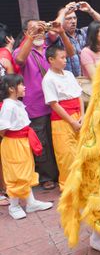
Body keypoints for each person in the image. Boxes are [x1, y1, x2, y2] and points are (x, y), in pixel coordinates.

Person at [13, 12, 75, 190]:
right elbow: (19, 60)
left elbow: (70, 53)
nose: (40, 32)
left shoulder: (50, 47)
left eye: (41, 29)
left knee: (59, 140)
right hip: (36, 106)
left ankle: (62, 173)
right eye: (34, 29)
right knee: (42, 142)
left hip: (58, 105)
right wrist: (31, 38)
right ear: (26, 32)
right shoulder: (23, 49)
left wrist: (61, 32)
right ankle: (47, 176)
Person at [0, 74, 54, 219]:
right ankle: (14, 205)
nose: (24, 87)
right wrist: (14, 137)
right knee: (16, 173)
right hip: (14, 143)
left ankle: (31, 202)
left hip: (23, 141)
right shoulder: (8, 106)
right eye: (21, 84)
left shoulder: (16, 103)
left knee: (26, 170)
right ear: (11, 89)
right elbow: (2, 129)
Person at [42, 46, 84, 190]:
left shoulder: (69, 74)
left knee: (81, 151)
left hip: (78, 116)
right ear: (51, 60)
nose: (65, 60)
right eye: (62, 58)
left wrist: (83, 116)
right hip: (62, 120)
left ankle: (83, 183)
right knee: (66, 156)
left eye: (65, 57)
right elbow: (54, 104)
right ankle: (68, 187)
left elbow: (79, 96)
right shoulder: (48, 79)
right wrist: (72, 122)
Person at [48, 1, 100, 77]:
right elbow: (52, 33)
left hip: (86, 79)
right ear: (62, 20)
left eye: (74, 18)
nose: (73, 21)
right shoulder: (58, 35)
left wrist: (90, 10)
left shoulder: (83, 32)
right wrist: (64, 12)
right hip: (68, 80)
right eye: (68, 18)